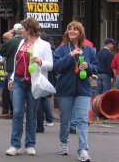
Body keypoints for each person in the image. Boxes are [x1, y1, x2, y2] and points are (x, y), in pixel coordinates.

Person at [5, 17, 53, 156]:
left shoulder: (44, 45)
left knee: (31, 114)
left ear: (30, 30)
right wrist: (12, 78)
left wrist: (41, 62)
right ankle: (15, 145)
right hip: (19, 82)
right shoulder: (21, 42)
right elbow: (17, 62)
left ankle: (30, 144)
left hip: (34, 83)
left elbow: (50, 65)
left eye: (23, 29)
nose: (20, 31)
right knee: (18, 112)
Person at [53, 21, 98, 161]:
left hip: (83, 90)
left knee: (82, 119)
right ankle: (64, 142)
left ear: (80, 32)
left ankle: (83, 150)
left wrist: (88, 66)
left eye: (75, 29)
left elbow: (96, 67)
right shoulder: (62, 49)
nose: (72, 31)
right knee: (65, 120)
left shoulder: (89, 49)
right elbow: (56, 67)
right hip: (65, 90)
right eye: (69, 29)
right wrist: (70, 55)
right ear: (67, 32)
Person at [0, 24, 23, 119]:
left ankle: (15, 112)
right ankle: (14, 112)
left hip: (13, 69)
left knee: (12, 91)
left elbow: (2, 51)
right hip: (24, 69)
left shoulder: (14, 41)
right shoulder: (26, 41)